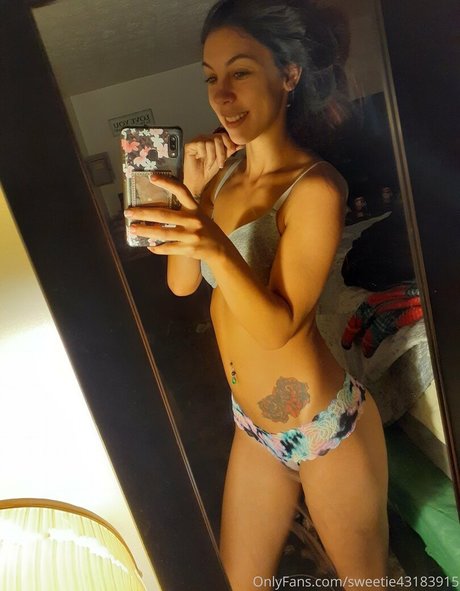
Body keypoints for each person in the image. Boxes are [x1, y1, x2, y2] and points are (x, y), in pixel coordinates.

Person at [124, 0, 389, 588]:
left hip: (324, 430)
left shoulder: (315, 187)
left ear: (288, 74)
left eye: (240, 71)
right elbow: (181, 284)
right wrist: (192, 195)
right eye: (211, 78)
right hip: (252, 426)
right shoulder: (222, 179)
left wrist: (214, 241)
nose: (221, 95)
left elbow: (278, 327)